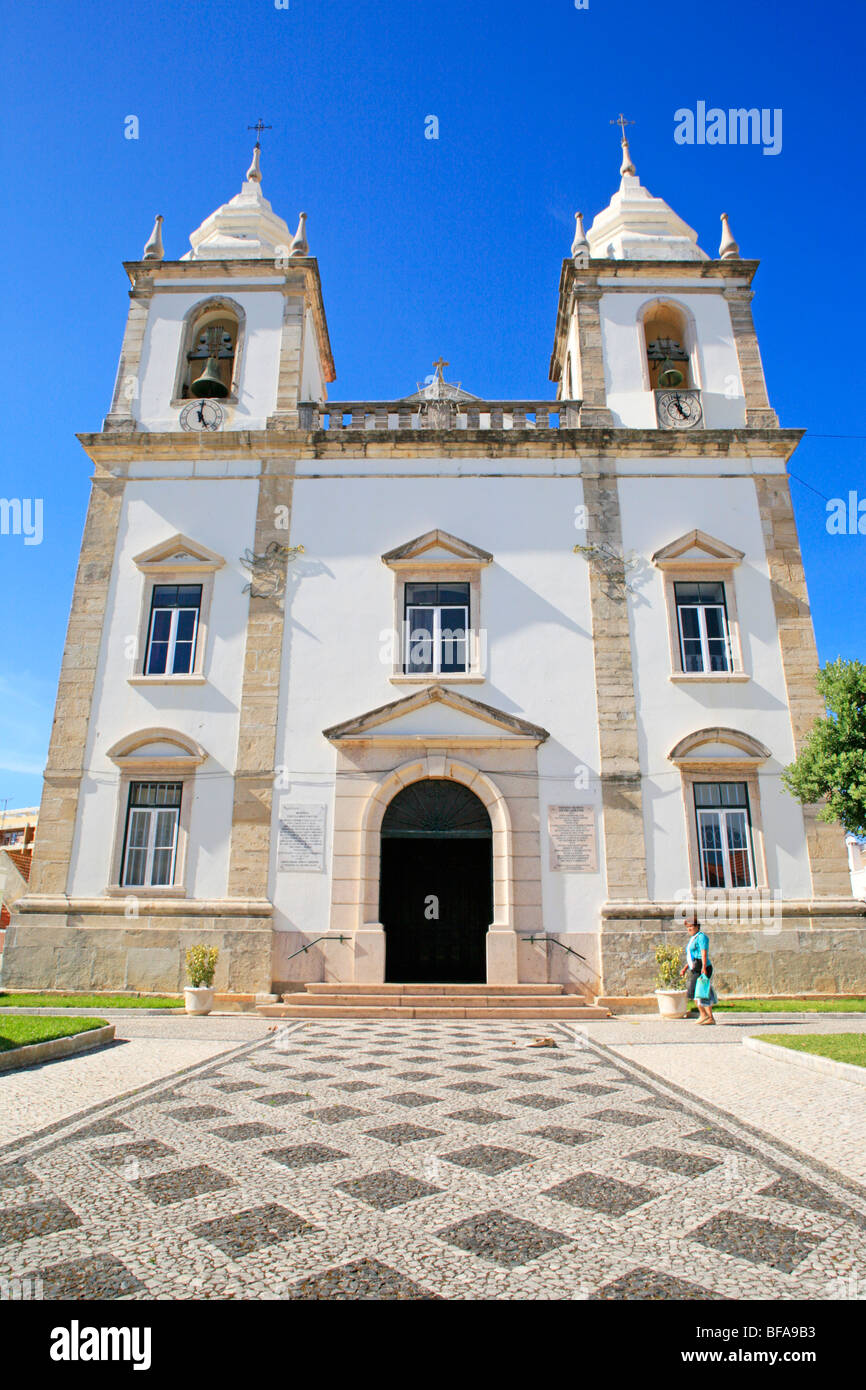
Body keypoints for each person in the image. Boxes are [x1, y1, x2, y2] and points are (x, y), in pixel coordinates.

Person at [679, 918, 717, 1025]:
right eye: (688, 927)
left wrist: (703, 967)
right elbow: (691, 956)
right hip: (696, 966)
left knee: (697, 992)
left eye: (691, 927)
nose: (689, 929)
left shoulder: (701, 937)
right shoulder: (693, 938)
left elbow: (703, 953)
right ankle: (708, 1017)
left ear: (697, 927)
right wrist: (685, 968)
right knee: (702, 992)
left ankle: (705, 1015)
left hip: (702, 966)